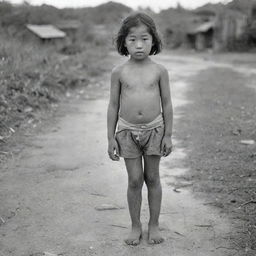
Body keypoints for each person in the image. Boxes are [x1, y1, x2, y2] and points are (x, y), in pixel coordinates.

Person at [107, 12, 173, 246]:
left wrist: (168, 135)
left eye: (144, 39)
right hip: (126, 132)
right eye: (132, 39)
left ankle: (153, 224)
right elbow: (113, 106)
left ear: (153, 40)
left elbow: (166, 104)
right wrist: (110, 139)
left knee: (152, 177)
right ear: (124, 42)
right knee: (134, 180)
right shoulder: (119, 72)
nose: (138, 45)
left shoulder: (159, 71)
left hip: (155, 130)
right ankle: (136, 225)